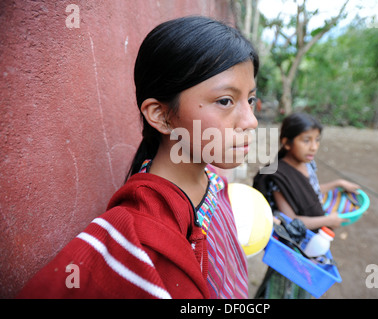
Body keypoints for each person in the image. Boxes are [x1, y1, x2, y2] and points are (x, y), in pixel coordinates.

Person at [17, 16, 259, 299]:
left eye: (250, 100)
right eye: (225, 101)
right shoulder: (134, 237)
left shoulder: (216, 185)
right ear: (161, 115)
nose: (251, 121)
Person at [253, 112, 360, 298]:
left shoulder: (308, 164)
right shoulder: (280, 176)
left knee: (304, 286)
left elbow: (312, 190)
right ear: (287, 143)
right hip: (294, 247)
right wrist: (329, 219)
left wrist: (338, 184)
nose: (314, 147)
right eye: (306, 140)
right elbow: (291, 221)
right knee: (284, 287)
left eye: (317, 140)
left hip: (313, 241)